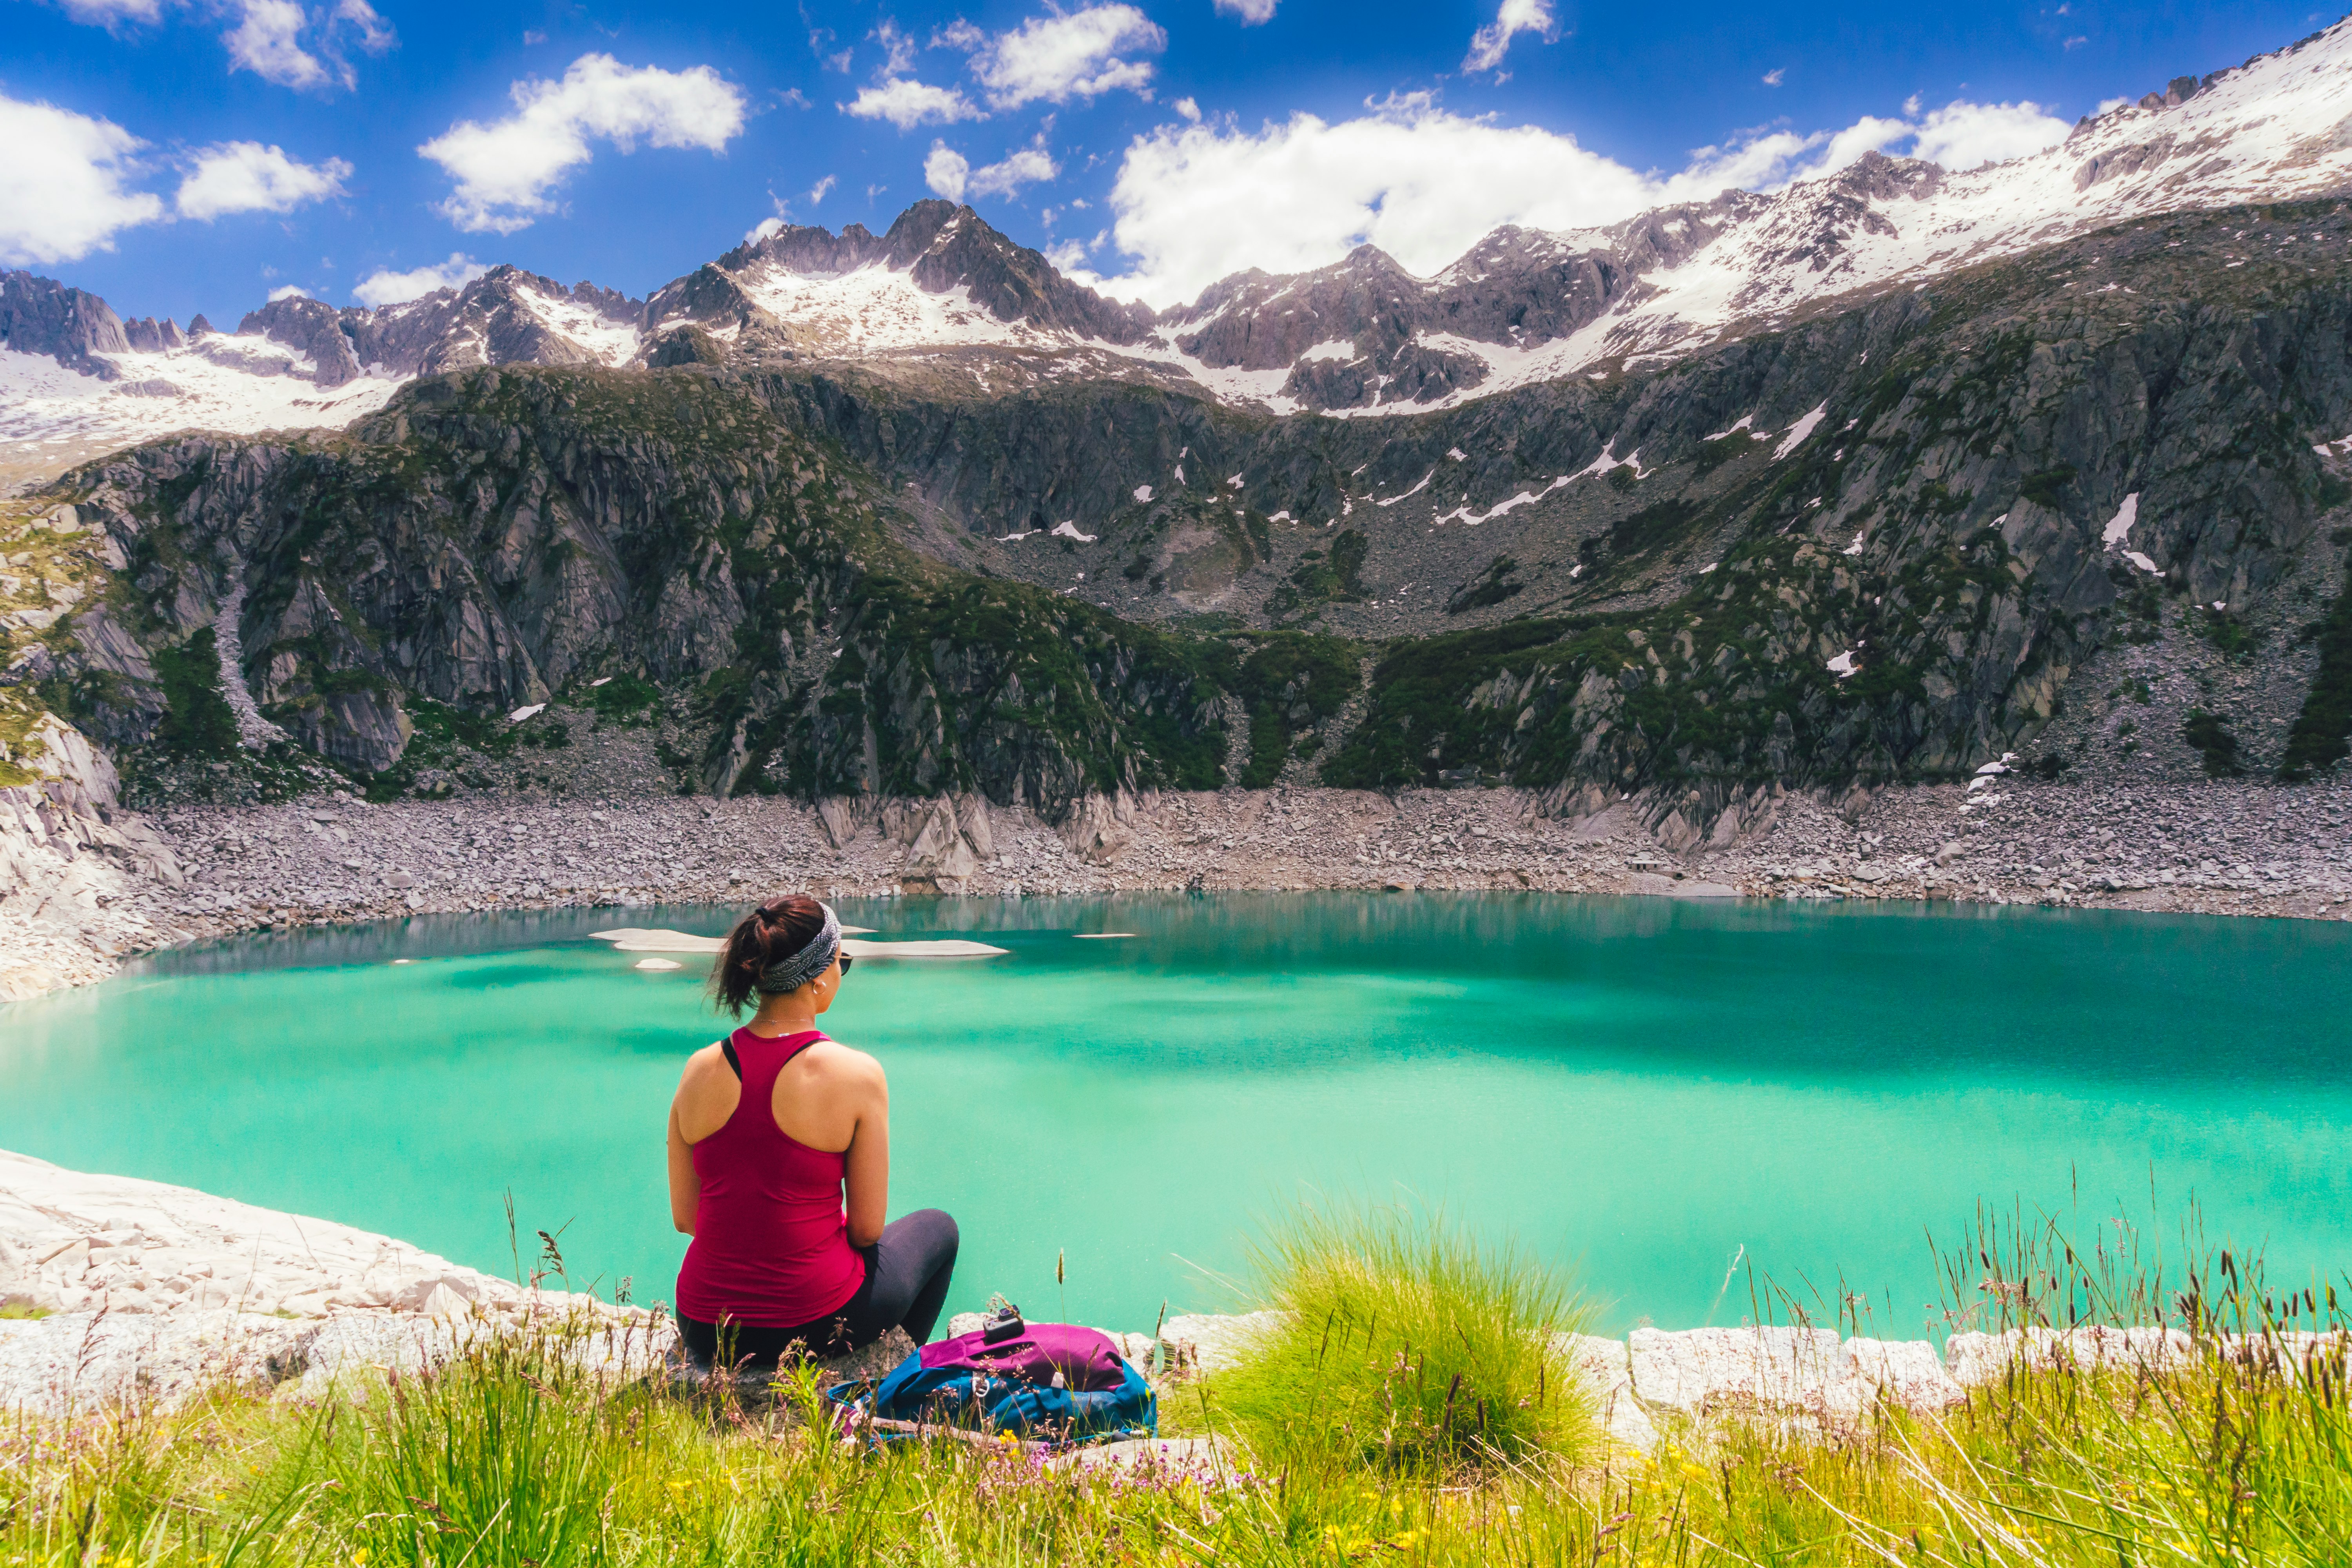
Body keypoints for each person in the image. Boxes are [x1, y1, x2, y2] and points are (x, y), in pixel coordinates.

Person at [668, 893, 958, 1369]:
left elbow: (687, 1217)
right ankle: (887, 1382)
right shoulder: (857, 1075)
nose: (842, 972)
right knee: (939, 1229)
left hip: (703, 1325)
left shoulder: (698, 1069)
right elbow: (867, 1231)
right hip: (811, 1323)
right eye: (843, 961)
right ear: (820, 978)